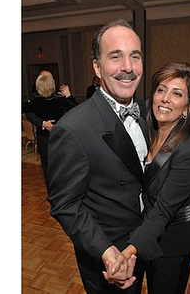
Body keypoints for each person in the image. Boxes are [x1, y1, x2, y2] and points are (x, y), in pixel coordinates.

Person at [47, 19, 149, 294]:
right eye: (115, 57)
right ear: (97, 66)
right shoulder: (73, 128)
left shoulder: (146, 111)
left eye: (135, 57)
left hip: (140, 241)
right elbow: (65, 205)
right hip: (107, 252)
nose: (127, 67)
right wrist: (106, 251)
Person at [108, 62, 190, 294]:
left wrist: (125, 255)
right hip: (149, 231)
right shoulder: (149, 130)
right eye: (161, 90)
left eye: (177, 94)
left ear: (188, 108)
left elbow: (164, 210)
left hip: (173, 241)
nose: (165, 98)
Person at [23, 74, 77, 180]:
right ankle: (54, 195)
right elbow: (29, 114)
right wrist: (43, 123)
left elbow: (76, 112)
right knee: (49, 168)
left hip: (60, 138)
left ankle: (57, 194)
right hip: (46, 138)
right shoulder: (35, 100)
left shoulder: (60, 99)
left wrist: (68, 96)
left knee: (60, 167)